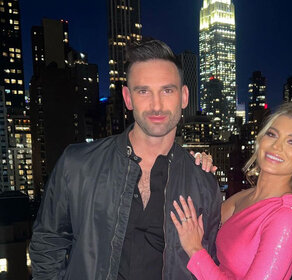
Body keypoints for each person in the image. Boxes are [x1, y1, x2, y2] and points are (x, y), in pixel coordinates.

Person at [29, 39, 222, 280]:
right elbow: (48, 244)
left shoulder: (203, 183)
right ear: (128, 98)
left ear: (184, 96)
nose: (157, 105)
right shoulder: (77, 165)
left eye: (167, 90)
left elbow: (210, 262)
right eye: (143, 91)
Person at [171, 102, 292, 279]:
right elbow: (198, 223)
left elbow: (195, 244)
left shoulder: (287, 218)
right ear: (260, 141)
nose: (277, 146)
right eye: (272, 134)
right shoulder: (243, 196)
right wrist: (199, 174)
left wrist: (195, 250)